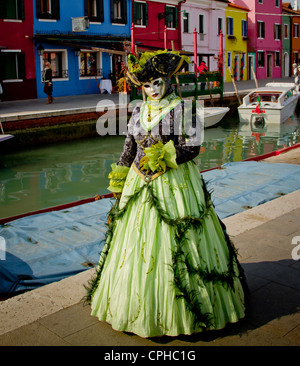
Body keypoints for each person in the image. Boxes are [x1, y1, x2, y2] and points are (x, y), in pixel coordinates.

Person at [86, 50, 247, 338]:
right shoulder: (137, 110)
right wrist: (119, 181)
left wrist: (166, 158)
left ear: (168, 81)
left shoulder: (184, 109)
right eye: (147, 85)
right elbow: (129, 149)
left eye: (158, 83)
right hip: (138, 185)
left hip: (174, 184)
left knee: (180, 246)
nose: (153, 89)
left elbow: (193, 146)